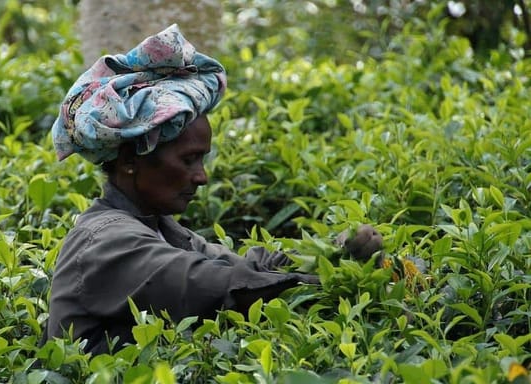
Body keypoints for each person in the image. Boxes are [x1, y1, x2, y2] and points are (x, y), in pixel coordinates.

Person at [44, 24, 382, 355]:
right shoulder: (106, 241)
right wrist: (326, 281)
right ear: (131, 159)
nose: (201, 177)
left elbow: (247, 265)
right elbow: (214, 284)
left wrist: (335, 250)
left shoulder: (159, 229)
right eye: (189, 160)